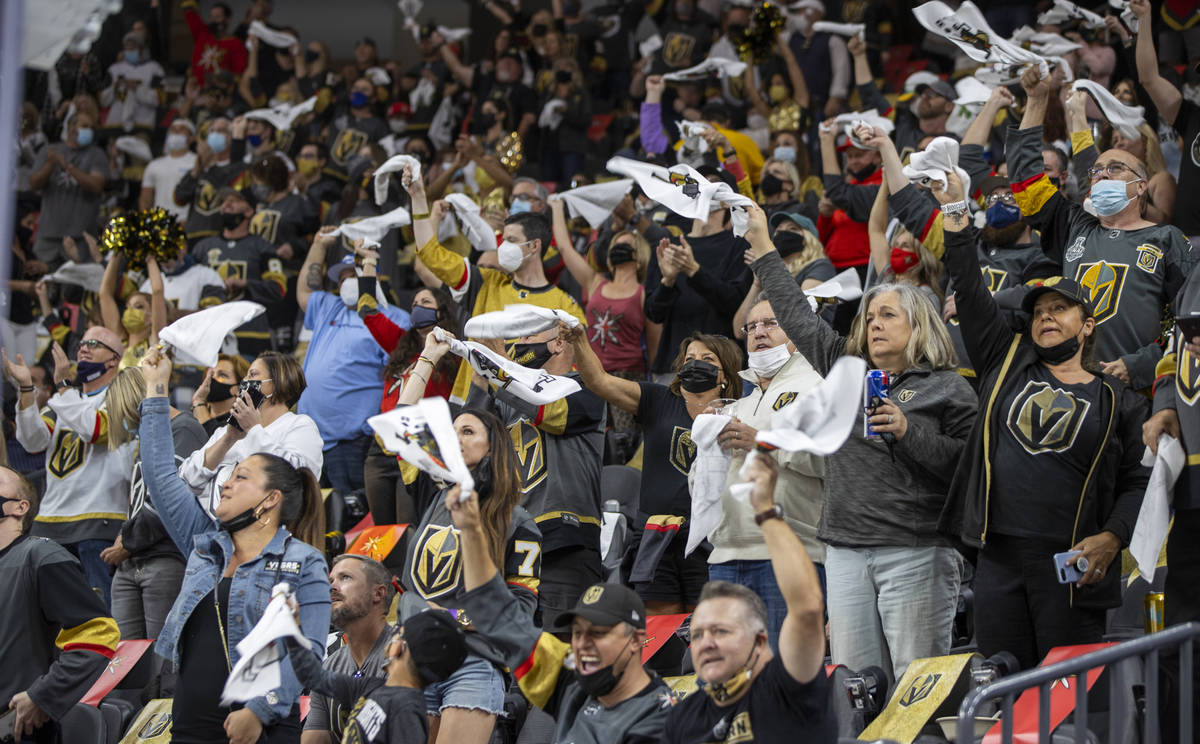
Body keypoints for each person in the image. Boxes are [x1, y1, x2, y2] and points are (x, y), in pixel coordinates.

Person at [745, 202, 977, 682]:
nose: (873, 324)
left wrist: (910, 432)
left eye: (887, 315)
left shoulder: (948, 386)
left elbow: (966, 468)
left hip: (914, 550)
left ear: (919, 325)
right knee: (854, 687)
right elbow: (796, 315)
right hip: (846, 552)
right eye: (870, 316)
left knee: (914, 689)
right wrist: (766, 249)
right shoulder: (845, 369)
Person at [934, 171, 1150, 670]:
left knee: (1065, 693)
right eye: (1039, 313)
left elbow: (1138, 481)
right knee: (1005, 687)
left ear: (1089, 323)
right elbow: (970, 289)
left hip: (1072, 564)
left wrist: (1113, 536)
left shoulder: (1117, 399)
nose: (1046, 317)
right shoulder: (1005, 363)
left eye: (1061, 308)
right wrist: (955, 215)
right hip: (1000, 556)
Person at [137, 346, 330, 744]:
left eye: (240, 477)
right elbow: (170, 478)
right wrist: (158, 389)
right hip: (190, 722)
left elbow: (307, 655)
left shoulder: (303, 561)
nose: (225, 483)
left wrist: (259, 712)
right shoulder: (204, 550)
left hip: (261, 726)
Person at [393, 332, 543, 744]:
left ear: (493, 449)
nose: (454, 439)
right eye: (451, 431)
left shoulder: (518, 522)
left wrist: (452, 618)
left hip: (475, 662)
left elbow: (521, 610)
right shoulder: (433, 492)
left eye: (468, 431)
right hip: (415, 656)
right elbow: (401, 422)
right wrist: (429, 355)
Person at [1010, 65, 1193, 392]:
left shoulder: (1165, 239)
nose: (1102, 175)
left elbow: (1189, 319)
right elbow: (1024, 182)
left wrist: (1142, 363)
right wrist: (1037, 101)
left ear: (1140, 187)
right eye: (1096, 172)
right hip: (1066, 385)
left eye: (1115, 168)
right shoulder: (1075, 226)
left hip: (1136, 392)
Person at [455, 495, 676, 743]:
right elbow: (501, 619)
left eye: (598, 633)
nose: (582, 644)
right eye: (577, 633)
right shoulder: (573, 677)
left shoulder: (658, 719)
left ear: (636, 639)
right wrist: (471, 531)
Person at [663, 453, 836, 743]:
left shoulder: (788, 687)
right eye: (697, 635)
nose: (706, 643)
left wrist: (766, 510)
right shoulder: (684, 716)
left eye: (720, 631)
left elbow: (806, 608)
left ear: (760, 640)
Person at [569, 327, 743, 614]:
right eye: (690, 358)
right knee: (659, 635)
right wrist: (578, 341)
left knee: (708, 622)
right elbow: (598, 380)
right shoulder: (658, 399)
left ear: (726, 374)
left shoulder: (740, 411)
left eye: (708, 359)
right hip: (655, 533)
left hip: (712, 538)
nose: (696, 364)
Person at [699, 291, 826, 646]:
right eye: (751, 325)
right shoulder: (737, 403)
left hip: (791, 550)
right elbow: (700, 488)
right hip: (724, 555)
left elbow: (830, 461)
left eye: (771, 323)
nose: (758, 332)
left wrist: (762, 440)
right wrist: (705, 446)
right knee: (733, 676)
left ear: (798, 330)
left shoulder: (818, 387)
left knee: (784, 674)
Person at [405, 168, 585, 406]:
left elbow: (573, 369)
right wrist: (418, 197)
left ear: (534, 247)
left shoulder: (565, 306)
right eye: (503, 240)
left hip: (526, 412)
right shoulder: (484, 281)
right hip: (469, 405)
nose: (503, 247)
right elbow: (430, 254)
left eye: (511, 241)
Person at [6, 328, 134, 607]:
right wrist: (27, 388)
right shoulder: (65, 401)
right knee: (44, 612)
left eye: (94, 343)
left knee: (97, 612)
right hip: (50, 523)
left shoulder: (123, 395)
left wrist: (63, 385)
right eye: (82, 342)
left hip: (97, 524)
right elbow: (32, 440)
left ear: (114, 359)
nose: (83, 348)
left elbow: (96, 429)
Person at [100, 366, 207, 695]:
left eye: (120, 412)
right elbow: (138, 501)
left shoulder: (183, 429)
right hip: (133, 563)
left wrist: (127, 542)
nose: (121, 422)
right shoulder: (148, 438)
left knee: (163, 667)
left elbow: (168, 503)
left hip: (163, 559)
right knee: (126, 669)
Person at [0, 465, 121, 744]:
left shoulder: (40, 555)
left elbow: (99, 634)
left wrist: (44, 695)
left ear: (20, 507)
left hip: (17, 730)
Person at [296, 229, 411, 495]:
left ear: (373, 277)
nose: (346, 283)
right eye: (342, 278)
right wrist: (318, 245)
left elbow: (398, 377)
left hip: (353, 441)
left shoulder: (392, 319)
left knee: (350, 520)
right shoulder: (330, 306)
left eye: (353, 275)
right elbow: (304, 291)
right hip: (311, 439)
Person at [354, 248, 461, 524]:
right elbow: (367, 310)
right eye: (414, 304)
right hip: (381, 448)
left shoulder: (453, 356)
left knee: (408, 528)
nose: (417, 308)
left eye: (425, 302)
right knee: (382, 531)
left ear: (441, 311)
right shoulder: (399, 343)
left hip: (419, 444)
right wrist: (368, 261)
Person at [288, 609, 468, 744]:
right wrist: (294, 629)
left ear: (398, 648)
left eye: (397, 633)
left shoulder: (407, 711)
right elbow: (311, 675)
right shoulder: (370, 688)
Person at [178, 351, 324, 513]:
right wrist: (227, 439)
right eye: (246, 377)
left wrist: (253, 430)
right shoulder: (228, 431)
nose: (245, 382)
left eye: (253, 375)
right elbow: (186, 480)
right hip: (212, 526)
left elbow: (295, 481)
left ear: (278, 382)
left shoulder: (300, 425)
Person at [303, 554, 397, 744]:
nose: (332, 587)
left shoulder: (404, 653)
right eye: (330, 580)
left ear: (378, 593)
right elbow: (314, 739)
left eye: (345, 577)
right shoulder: (328, 667)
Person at [191, 187, 286, 357]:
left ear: (250, 210)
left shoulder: (262, 247)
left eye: (233, 200)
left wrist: (246, 284)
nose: (226, 205)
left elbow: (278, 288)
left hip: (252, 333)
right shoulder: (202, 248)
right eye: (223, 202)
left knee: (253, 383)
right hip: (211, 334)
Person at [27, 109, 109, 264]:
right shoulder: (49, 151)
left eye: (92, 128)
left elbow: (96, 185)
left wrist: (67, 166)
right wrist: (50, 164)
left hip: (81, 237)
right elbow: (33, 184)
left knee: (76, 285)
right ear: (71, 127)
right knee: (43, 281)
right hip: (48, 235)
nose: (89, 131)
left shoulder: (97, 154)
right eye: (85, 126)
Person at [139, 118, 198, 222]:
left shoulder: (197, 162)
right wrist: (148, 221)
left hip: (186, 222)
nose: (176, 132)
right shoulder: (154, 164)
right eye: (173, 129)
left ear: (192, 137)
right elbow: (146, 198)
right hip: (160, 222)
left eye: (182, 129)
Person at [191, 353, 251, 436]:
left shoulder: (240, 422)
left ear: (238, 389)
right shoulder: (191, 416)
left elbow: (213, 439)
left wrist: (199, 401)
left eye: (222, 375)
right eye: (211, 375)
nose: (213, 379)